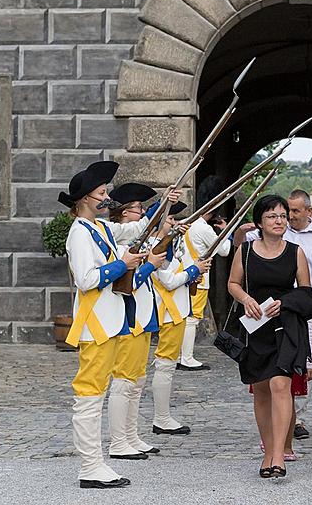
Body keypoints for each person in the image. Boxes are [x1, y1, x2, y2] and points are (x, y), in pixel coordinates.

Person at [58, 162, 179, 489]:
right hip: (95, 324)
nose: (106, 197)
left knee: (98, 394)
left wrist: (163, 204)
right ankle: (90, 466)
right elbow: (86, 280)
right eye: (101, 193)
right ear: (83, 199)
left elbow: (135, 231)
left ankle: (97, 464)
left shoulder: (99, 227)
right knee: (90, 397)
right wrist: (121, 265)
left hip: (111, 322)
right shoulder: (79, 233)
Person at [227, 194, 312, 479]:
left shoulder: (296, 252)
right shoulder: (245, 250)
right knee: (262, 391)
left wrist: (287, 302)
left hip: (285, 328)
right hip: (255, 327)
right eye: (272, 216)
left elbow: (307, 292)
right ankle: (268, 450)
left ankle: (279, 453)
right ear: (260, 222)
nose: (279, 220)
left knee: (281, 385)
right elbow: (232, 283)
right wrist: (245, 299)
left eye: (282, 215)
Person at [106, 183, 168, 460]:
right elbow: (126, 282)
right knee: (123, 381)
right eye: (137, 209)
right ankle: (118, 442)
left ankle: (131, 435)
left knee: (137, 381)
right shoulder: (119, 244)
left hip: (143, 317)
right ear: (122, 212)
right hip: (128, 318)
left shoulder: (136, 241)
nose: (141, 214)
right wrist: (149, 265)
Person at [150, 202, 211, 435]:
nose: (174, 223)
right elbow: (167, 280)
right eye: (170, 219)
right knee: (165, 366)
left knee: (167, 367)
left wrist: (192, 273)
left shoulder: (169, 245)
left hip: (175, 308)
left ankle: (163, 417)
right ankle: (161, 418)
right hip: (168, 310)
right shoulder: (156, 246)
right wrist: (194, 271)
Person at [177, 208, 231, 372]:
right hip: (198, 278)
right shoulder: (203, 228)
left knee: (183, 317)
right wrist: (225, 230)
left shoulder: (185, 223)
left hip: (182, 274)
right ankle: (186, 358)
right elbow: (224, 250)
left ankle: (180, 356)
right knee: (192, 319)